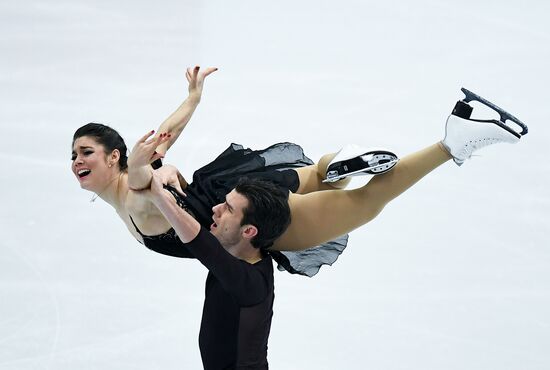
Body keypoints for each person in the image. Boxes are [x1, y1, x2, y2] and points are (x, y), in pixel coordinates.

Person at [71, 68, 527, 276]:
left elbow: (140, 181)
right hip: (232, 189)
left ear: (114, 157)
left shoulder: (133, 194)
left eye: (87, 151)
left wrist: (138, 168)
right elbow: (164, 139)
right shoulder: (135, 178)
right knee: (313, 176)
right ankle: (338, 163)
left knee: (363, 203)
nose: (77, 161)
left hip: (242, 224)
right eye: (74, 154)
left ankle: (457, 138)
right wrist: (191, 102)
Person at [146, 173, 289, 369]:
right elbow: (193, 211)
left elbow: (201, 244)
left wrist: (159, 197)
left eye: (228, 209)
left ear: (248, 231)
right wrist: (173, 176)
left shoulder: (252, 283)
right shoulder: (235, 244)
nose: (215, 209)